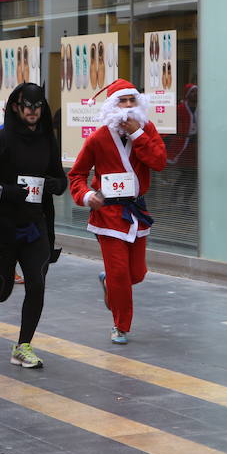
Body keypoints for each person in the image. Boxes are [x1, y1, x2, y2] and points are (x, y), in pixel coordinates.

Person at [0, 83, 67, 368]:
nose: (33, 112)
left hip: (34, 226)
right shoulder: (0, 140)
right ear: (16, 107)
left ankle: (23, 346)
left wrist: (55, 185)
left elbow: (59, 178)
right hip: (1, 227)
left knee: (37, 283)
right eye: (27, 106)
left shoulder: (48, 139)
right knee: (3, 289)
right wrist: (7, 191)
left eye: (38, 106)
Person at [67, 79, 166, 344]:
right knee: (121, 274)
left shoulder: (147, 130)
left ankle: (109, 282)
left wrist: (137, 134)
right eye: (122, 101)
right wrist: (87, 196)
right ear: (112, 106)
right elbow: (76, 174)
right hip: (108, 214)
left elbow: (158, 162)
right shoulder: (99, 138)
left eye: (132, 100)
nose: (128, 106)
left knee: (137, 274)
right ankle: (120, 326)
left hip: (136, 211)